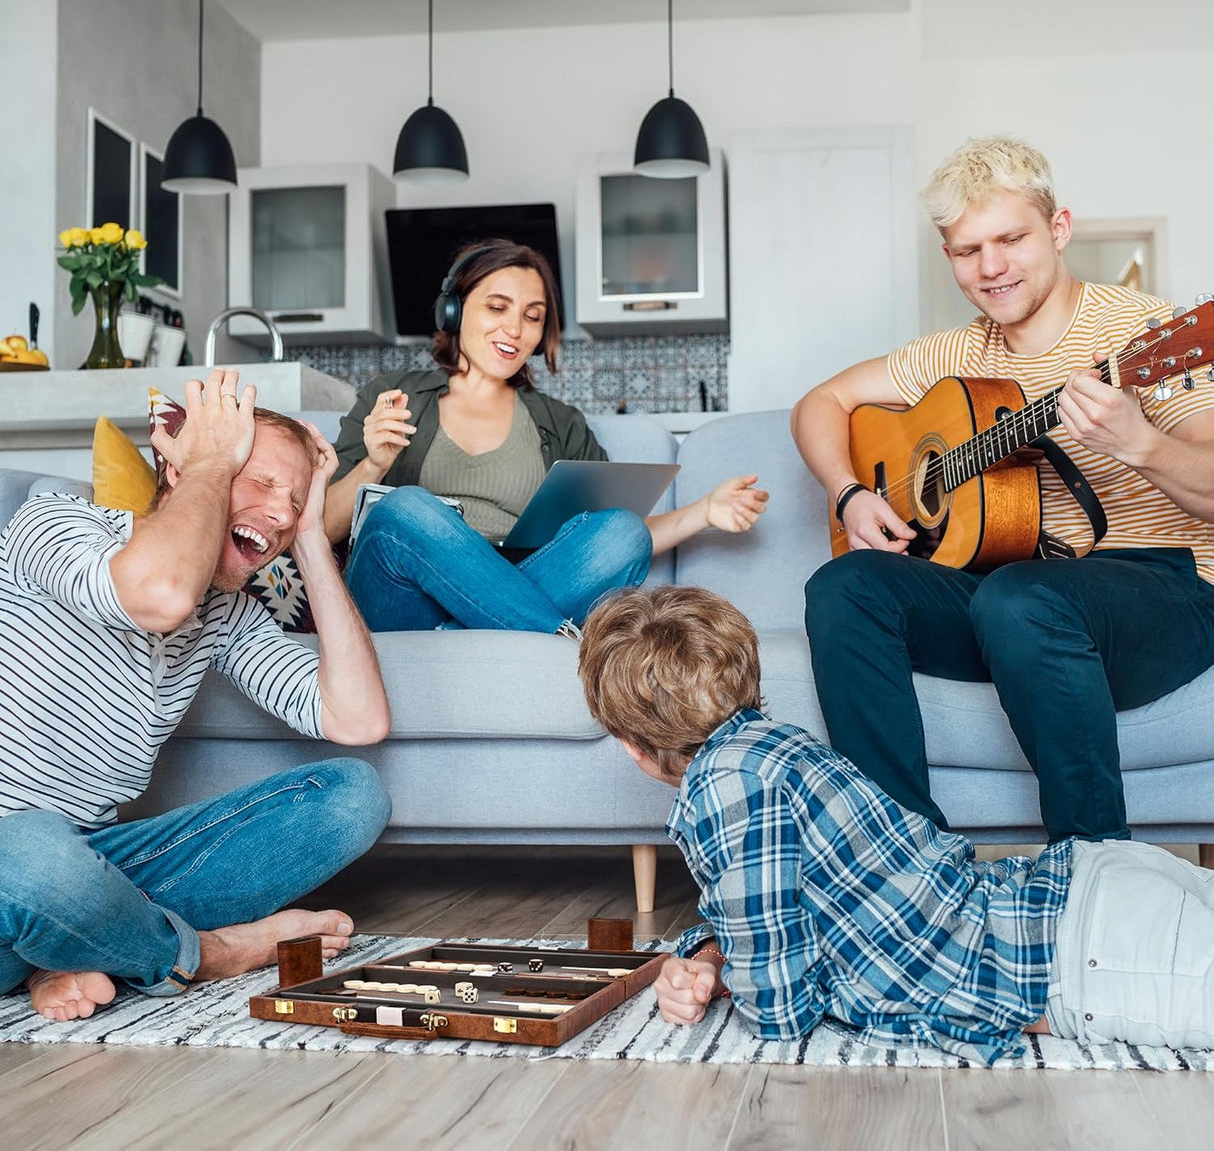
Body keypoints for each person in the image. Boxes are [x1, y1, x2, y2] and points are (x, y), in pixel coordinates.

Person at [577, 584, 1214, 1065]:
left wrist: (729, 971)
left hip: (1093, 954)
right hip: (1095, 888)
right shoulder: (776, 744)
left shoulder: (723, 790)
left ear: (633, 744)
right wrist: (711, 954)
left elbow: (779, 1012)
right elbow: (791, 912)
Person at [790, 136, 1214, 842]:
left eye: (1011, 238)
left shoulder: (1144, 333)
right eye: (965, 250)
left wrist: (1143, 443)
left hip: (1168, 592)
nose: (990, 268)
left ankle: (1091, 870)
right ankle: (900, 856)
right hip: (1013, 604)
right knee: (846, 586)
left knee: (1020, 596)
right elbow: (819, 403)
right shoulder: (957, 354)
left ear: (1059, 228)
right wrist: (848, 495)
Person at [0, 368, 393, 1022]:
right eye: (262, 482)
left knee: (353, 796)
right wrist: (208, 458)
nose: (279, 510)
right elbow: (159, 594)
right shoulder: (55, 525)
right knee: (36, 862)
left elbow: (358, 718)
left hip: (91, 863)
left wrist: (313, 539)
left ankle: (70, 947)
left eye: (293, 500)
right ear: (186, 470)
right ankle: (201, 954)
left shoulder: (228, 615)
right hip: (22, 862)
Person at [325, 238, 768, 635]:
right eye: (497, 308)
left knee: (624, 530)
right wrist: (374, 465)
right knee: (405, 507)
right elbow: (321, 527)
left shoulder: (561, 422)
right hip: (404, 601)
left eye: (532, 317)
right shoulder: (392, 396)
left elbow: (612, 538)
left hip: (527, 577)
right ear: (454, 310)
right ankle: (551, 635)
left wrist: (705, 512)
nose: (515, 330)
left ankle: (473, 633)